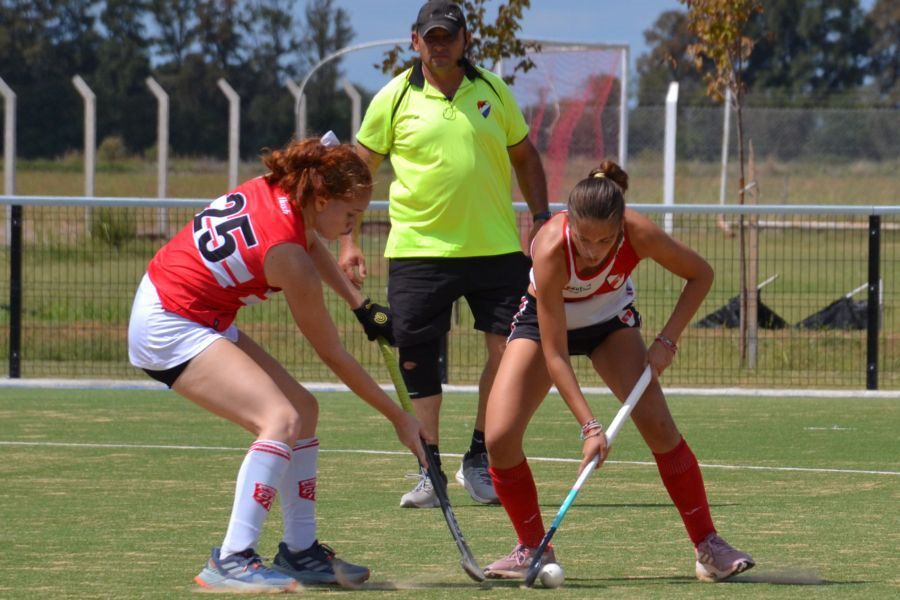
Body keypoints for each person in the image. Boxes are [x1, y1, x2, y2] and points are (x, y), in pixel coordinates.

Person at [127, 134, 427, 593]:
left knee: (303, 411)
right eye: (349, 216)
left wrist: (360, 305)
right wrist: (399, 419)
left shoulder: (288, 192)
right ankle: (232, 558)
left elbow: (309, 239)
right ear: (323, 198)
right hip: (169, 322)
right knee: (280, 417)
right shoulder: (286, 257)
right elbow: (333, 354)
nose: (351, 228)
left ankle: (300, 551)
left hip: (193, 311)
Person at [483, 161, 756, 582]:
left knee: (660, 427)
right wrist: (590, 426)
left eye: (606, 240)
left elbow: (701, 275)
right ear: (568, 223)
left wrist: (667, 341)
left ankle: (709, 546)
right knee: (499, 437)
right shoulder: (552, 246)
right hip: (544, 328)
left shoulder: (639, 232)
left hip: (610, 324)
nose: (594, 251)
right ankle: (531, 548)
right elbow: (556, 354)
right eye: (586, 239)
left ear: (620, 229)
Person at [339, 0, 550, 509]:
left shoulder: (495, 91)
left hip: (496, 249)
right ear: (415, 42)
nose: (439, 44)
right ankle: (427, 465)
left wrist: (542, 222)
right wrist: (348, 239)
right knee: (417, 355)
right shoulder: (392, 98)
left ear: (464, 40)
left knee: (511, 353)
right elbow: (357, 172)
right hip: (417, 252)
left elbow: (525, 156)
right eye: (430, 37)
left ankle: (478, 459)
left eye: (448, 36)